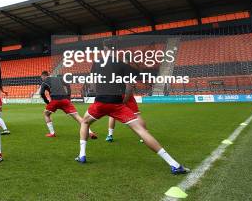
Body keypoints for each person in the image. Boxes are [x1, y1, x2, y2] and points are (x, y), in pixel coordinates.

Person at [75, 46, 189, 175]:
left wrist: (99, 93)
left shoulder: (97, 62)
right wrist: (122, 103)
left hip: (100, 102)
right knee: (141, 130)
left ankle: (82, 155)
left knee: (85, 122)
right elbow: (129, 88)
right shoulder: (122, 65)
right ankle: (174, 164)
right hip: (117, 103)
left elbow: (92, 82)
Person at [39, 71, 97, 139]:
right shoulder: (58, 78)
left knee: (46, 114)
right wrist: (68, 97)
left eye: (41, 77)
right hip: (65, 100)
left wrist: (47, 102)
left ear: (44, 76)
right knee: (77, 117)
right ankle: (90, 132)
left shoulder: (44, 82)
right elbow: (68, 85)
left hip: (55, 100)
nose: (42, 79)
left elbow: (41, 93)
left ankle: (52, 133)